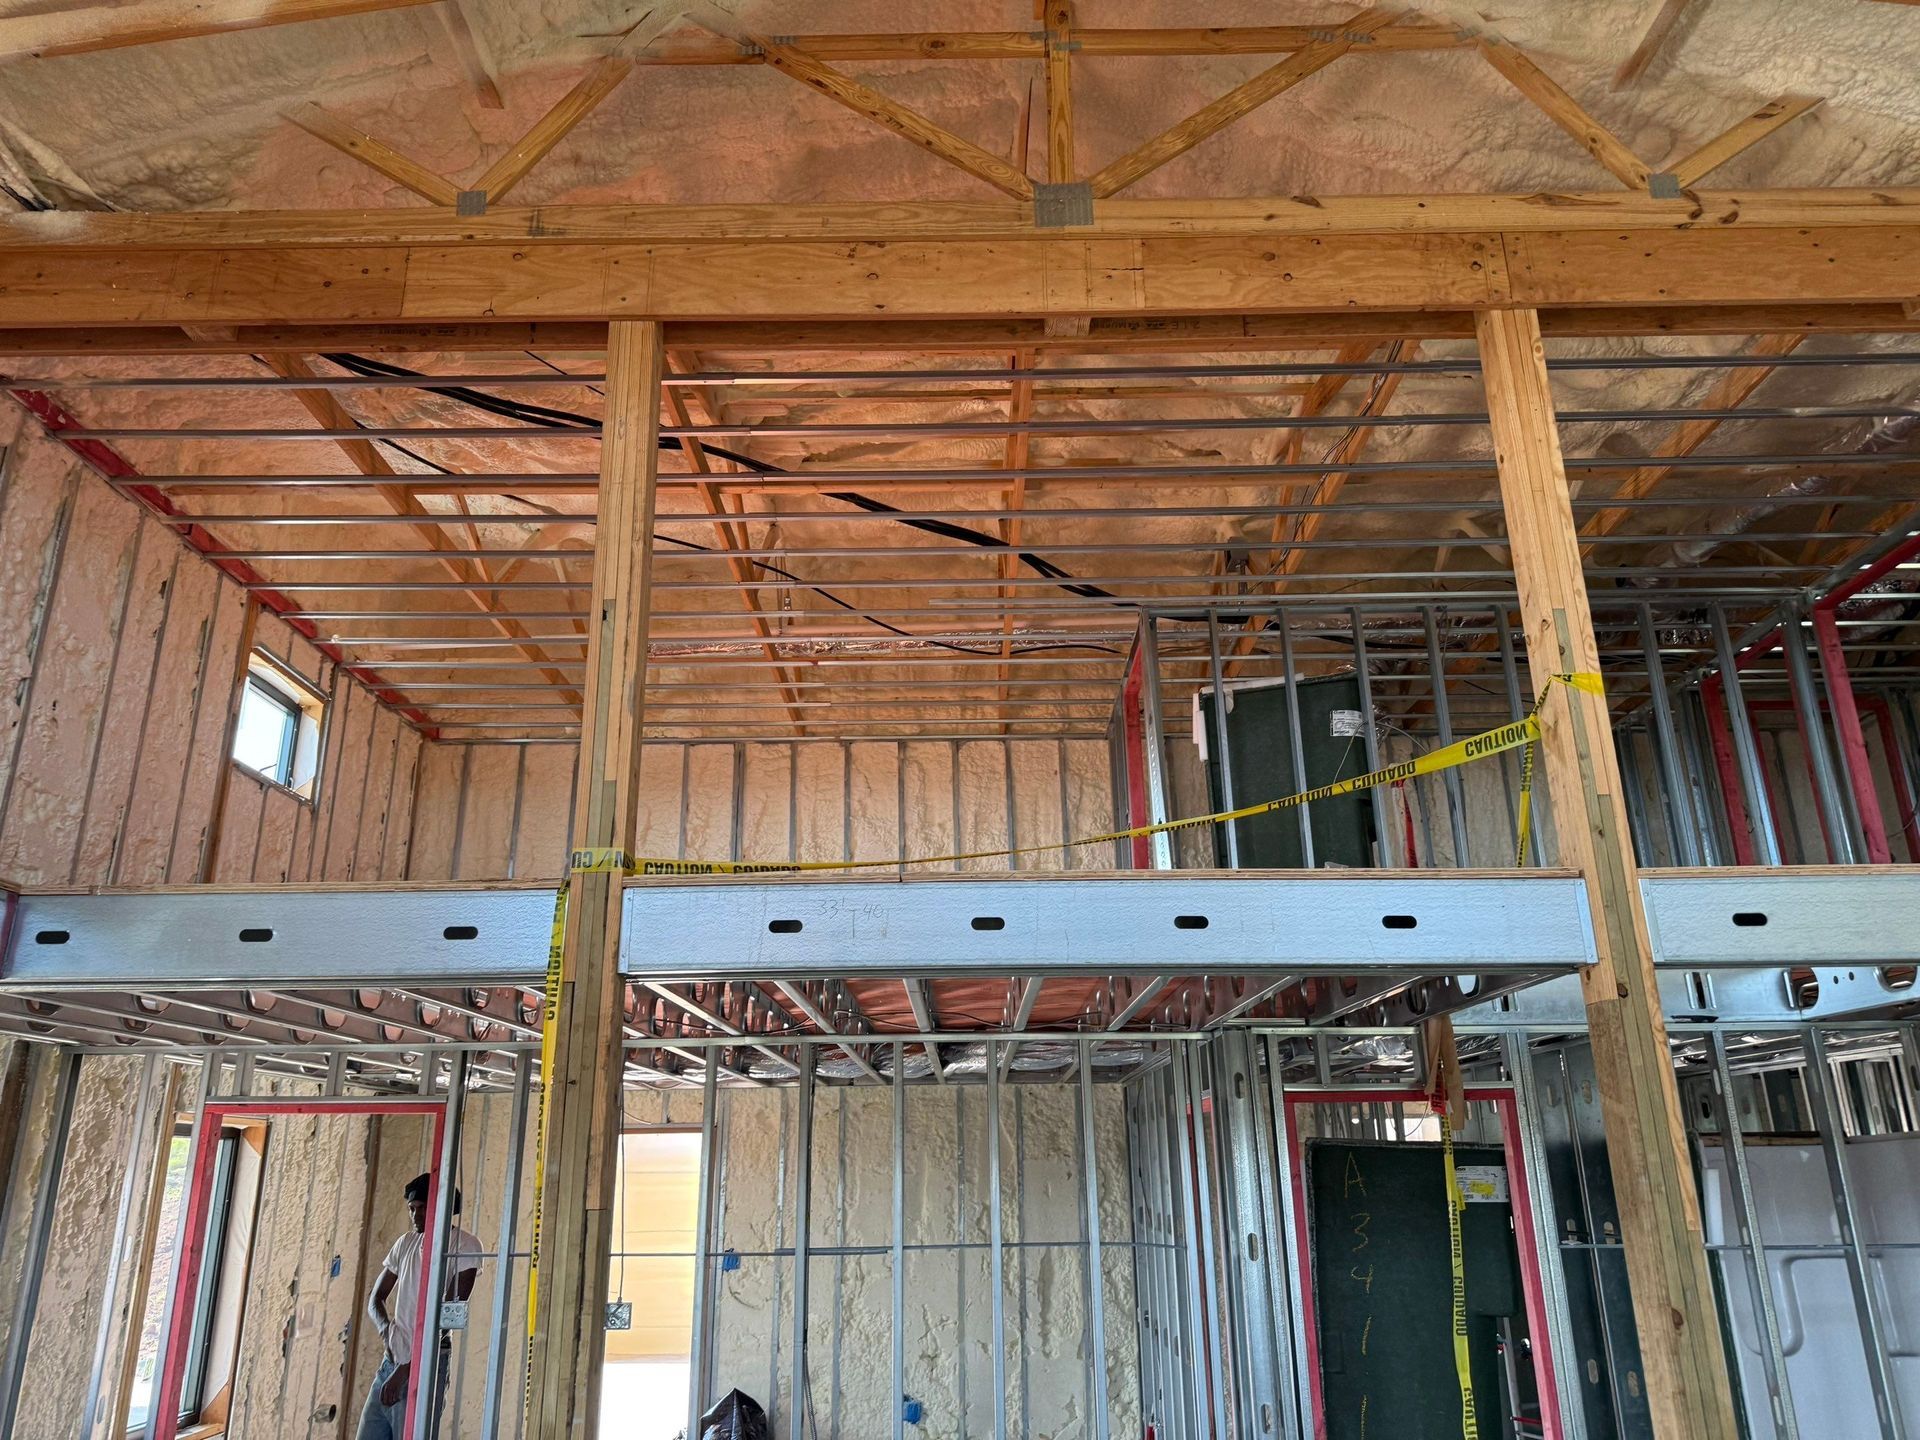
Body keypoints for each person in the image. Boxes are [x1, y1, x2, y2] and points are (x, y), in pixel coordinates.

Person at [357, 1172, 482, 1440]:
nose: (415, 1216)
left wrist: (407, 1370)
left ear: (440, 1206)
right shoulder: (406, 1243)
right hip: (390, 1362)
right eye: (411, 1209)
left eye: (422, 1208)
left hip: (426, 1365)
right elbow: (375, 1298)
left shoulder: (465, 1245)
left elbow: (447, 1318)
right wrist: (385, 1330)